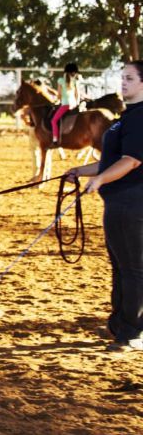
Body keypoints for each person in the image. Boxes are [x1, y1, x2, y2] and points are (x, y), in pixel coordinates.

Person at [66, 60, 143, 352]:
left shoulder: (141, 118)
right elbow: (111, 161)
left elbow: (131, 160)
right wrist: (81, 170)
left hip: (133, 202)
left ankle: (133, 333)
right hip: (118, 202)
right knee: (121, 267)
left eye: (130, 78)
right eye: (122, 78)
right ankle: (120, 324)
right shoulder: (126, 117)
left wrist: (99, 180)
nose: (123, 83)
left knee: (134, 269)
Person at [51, 63, 82, 145]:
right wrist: (77, 103)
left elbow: (59, 95)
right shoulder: (76, 81)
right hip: (74, 105)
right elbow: (77, 94)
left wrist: (56, 101)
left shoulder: (60, 80)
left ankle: (55, 138)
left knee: (54, 121)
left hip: (65, 105)